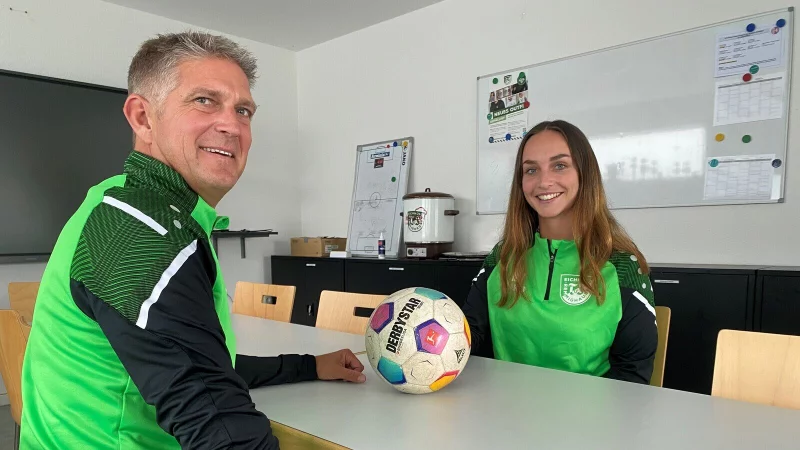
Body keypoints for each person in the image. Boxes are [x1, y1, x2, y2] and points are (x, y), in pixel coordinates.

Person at [20, 31, 365, 449]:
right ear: (143, 118)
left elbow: (200, 363)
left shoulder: (122, 203)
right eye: (204, 100)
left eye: (244, 111)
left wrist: (308, 366)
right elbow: (221, 433)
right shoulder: (144, 233)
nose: (231, 125)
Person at [463, 120, 657, 384]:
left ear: (584, 174)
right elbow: (467, 339)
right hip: (504, 412)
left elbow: (632, 378)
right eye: (531, 170)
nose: (544, 181)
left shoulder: (622, 265)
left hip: (587, 420)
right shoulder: (504, 256)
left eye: (560, 165)